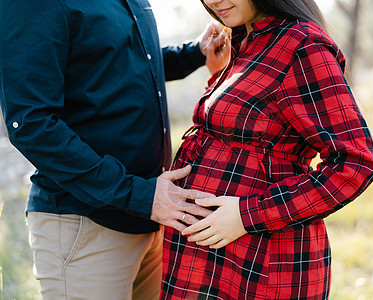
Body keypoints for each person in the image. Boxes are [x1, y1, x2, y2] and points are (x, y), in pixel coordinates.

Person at [0, 0, 229, 299]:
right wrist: (141, 196)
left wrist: (193, 54)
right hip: (86, 226)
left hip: (150, 218)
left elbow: (122, 66)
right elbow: (32, 125)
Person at [161, 0, 373, 299]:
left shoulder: (302, 45)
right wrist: (217, 77)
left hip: (261, 254)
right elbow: (253, 130)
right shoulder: (246, 40)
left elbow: (356, 161)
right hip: (210, 254)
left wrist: (246, 215)